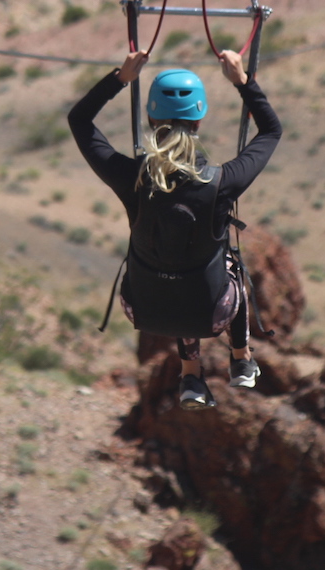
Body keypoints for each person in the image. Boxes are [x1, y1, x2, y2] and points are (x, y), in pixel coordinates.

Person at [68, 48, 281, 410]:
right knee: (230, 264)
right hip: (213, 311)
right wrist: (242, 81)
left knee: (179, 270)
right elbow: (271, 130)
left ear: (151, 117)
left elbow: (79, 120)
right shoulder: (221, 182)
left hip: (144, 306)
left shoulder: (131, 178)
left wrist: (121, 78)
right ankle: (242, 356)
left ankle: (190, 376)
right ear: (199, 121)